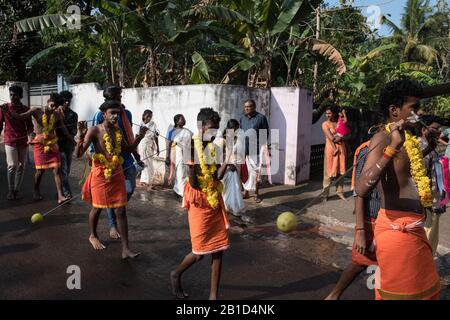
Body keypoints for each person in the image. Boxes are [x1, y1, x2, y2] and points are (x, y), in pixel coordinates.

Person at [356, 79, 440, 300]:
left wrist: (428, 148)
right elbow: (362, 187)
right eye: (413, 108)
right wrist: (392, 146)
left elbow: (400, 169)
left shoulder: (408, 138)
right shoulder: (383, 137)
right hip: (396, 231)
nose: (418, 114)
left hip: (414, 228)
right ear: (394, 111)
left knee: (426, 291)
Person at [170, 107, 230, 300]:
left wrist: (227, 162)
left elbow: (216, 178)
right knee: (199, 253)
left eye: (217, 129)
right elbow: (194, 185)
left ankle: (213, 297)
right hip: (198, 200)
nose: (215, 133)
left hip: (213, 199)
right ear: (201, 127)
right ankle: (176, 274)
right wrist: (191, 169)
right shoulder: (191, 146)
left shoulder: (214, 147)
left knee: (219, 250)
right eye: (212, 128)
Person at [76, 100, 147, 259]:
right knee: (97, 208)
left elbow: (127, 149)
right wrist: (80, 137)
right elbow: (78, 155)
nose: (115, 116)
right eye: (112, 113)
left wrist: (140, 137)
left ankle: (126, 249)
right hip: (100, 174)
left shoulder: (117, 131)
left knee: (121, 210)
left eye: (117, 113)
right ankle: (93, 235)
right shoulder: (94, 130)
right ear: (104, 115)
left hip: (117, 172)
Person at [326, 140, 380, 300]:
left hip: (392, 219)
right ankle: (333, 296)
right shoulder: (369, 149)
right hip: (372, 216)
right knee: (361, 261)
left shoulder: (405, 145)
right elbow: (359, 189)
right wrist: (361, 230)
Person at [91, 86, 144, 239]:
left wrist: (136, 153)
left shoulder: (126, 113)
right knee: (111, 193)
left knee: (129, 188)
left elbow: (128, 136)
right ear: (110, 98)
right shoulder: (100, 115)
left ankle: (117, 208)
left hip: (126, 156)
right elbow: (95, 138)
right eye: (119, 95)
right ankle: (112, 225)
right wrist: (96, 158)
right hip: (109, 162)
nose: (121, 97)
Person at [1, 92, 73, 204]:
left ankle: (60, 195)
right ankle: (36, 189)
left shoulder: (57, 115)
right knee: (40, 171)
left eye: (56, 106)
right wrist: (7, 111)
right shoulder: (36, 111)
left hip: (52, 144)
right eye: (52, 104)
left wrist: (75, 142)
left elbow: (64, 130)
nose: (53, 108)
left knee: (56, 169)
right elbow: (20, 117)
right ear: (48, 101)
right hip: (39, 144)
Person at [0, 85, 34, 200]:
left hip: (22, 140)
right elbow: (0, 125)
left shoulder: (25, 109)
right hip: (10, 140)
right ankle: (10, 190)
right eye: (10, 94)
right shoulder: (4, 108)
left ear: (20, 96)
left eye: (14, 94)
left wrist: (30, 136)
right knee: (12, 165)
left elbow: (29, 126)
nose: (12, 97)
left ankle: (17, 190)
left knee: (21, 166)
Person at [418, 116, 446, 255]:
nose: (438, 132)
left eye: (439, 129)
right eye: (435, 129)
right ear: (424, 129)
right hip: (426, 200)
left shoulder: (433, 147)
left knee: (433, 231)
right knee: (426, 231)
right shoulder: (420, 147)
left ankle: (428, 260)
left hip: (436, 197)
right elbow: (418, 175)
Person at [239, 99, 269, 203]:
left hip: (255, 150)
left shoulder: (261, 118)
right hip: (244, 149)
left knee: (256, 173)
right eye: (245, 106)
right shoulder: (242, 118)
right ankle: (246, 192)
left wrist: (260, 146)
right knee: (245, 172)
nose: (247, 108)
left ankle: (256, 193)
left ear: (254, 107)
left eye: (249, 106)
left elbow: (265, 134)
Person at [322, 105, 347, 201]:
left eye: (329, 113)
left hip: (341, 149)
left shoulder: (338, 123)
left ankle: (340, 192)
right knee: (327, 172)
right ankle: (325, 194)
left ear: (333, 114)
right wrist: (340, 137)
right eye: (326, 113)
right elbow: (331, 138)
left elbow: (346, 134)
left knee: (341, 172)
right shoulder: (325, 124)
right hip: (330, 150)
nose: (327, 115)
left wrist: (341, 137)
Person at [221, 119, 246, 216]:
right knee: (228, 186)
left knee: (235, 187)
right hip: (228, 165)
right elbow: (221, 153)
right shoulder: (224, 137)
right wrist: (228, 164)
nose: (237, 130)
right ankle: (227, 205)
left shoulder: (238, 137)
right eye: (236, 128)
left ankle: (231, 206)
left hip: (236, 163)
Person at [56, 90, 78, 198]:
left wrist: (63, 123)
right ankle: (67, 192)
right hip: (58, 145)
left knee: (67, 170)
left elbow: (74, 131)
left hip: (69, 145)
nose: (67, 103)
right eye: (64, 101)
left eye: (69, 101)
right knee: (63, 170)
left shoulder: (73, 115)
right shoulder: (55, 113)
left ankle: (61, 189)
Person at [165, 114, 193, 196]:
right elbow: (168, 144)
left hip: (186, 154)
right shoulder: (172, 132)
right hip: (177, 155)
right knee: (179, 173)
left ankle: (181, 190)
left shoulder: (188, 132)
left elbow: (192, 143)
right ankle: (180, 191)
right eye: (182, 119)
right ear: (177, 122)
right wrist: (167, 156)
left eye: (184, 118)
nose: (184, 120)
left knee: (184, 173)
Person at [138, 109, 160, 190]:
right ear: (144, 116)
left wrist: (158, 147)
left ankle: (149, 181)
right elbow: (137, 136)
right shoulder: (140, 124)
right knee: (144, 161)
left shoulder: (153, 124)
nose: (148, 118)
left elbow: (156, 136)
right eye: (147, 116)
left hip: (150, 145)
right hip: (143, 144)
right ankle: (144, 180)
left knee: (149, 163)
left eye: (150, 117)